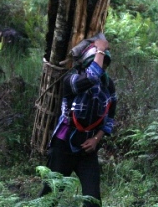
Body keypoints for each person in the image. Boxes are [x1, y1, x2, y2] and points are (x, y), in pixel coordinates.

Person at [39, 37, 117, 207]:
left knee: (93, 200)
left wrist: (96, 139)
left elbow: (110, 118)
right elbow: (92, 77)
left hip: (87, 150)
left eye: (104, 63)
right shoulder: (72, 81)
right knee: (49, 197)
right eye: (98, 62)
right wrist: (100, 49)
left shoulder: (108, 85)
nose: (101, 67)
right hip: (63, 146)